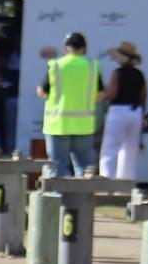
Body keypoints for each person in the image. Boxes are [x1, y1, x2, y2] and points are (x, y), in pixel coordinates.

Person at [37, 31, 102, 178]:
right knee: (84, 168)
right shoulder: (92, 67)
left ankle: (57, 198)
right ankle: (82, 199)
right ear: (84, 49)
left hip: (57, 124)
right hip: (83, 125)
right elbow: (100, 95)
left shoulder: (55, 65)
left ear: (65, 48)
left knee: (57, 166)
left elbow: (42, 92)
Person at [98, 40, 147, 180]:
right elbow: (143, 96)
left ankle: (107, 180)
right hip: (135, 111)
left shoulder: (117, 73)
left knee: (110, 147)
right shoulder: (140, 75)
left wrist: (104, 94)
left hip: (118, 111)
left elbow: (112, 94)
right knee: (129, 149)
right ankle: (126, 182)